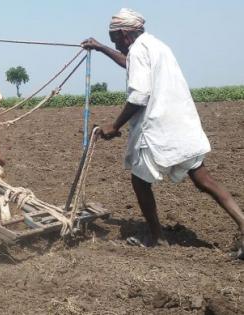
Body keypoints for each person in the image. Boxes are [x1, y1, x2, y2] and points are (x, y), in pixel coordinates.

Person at [82, 8, 244, 258]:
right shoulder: (155, 45)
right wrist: (102, 48)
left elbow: (138, 95)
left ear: (125, 34)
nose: (118, 45)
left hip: (159, 128)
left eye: (115, 40)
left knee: (139, 181)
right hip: (182, 123)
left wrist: (115, 126)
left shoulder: (138, 50)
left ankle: (157, 237)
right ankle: (242, 221)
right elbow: (129, 63)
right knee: (203, 178)